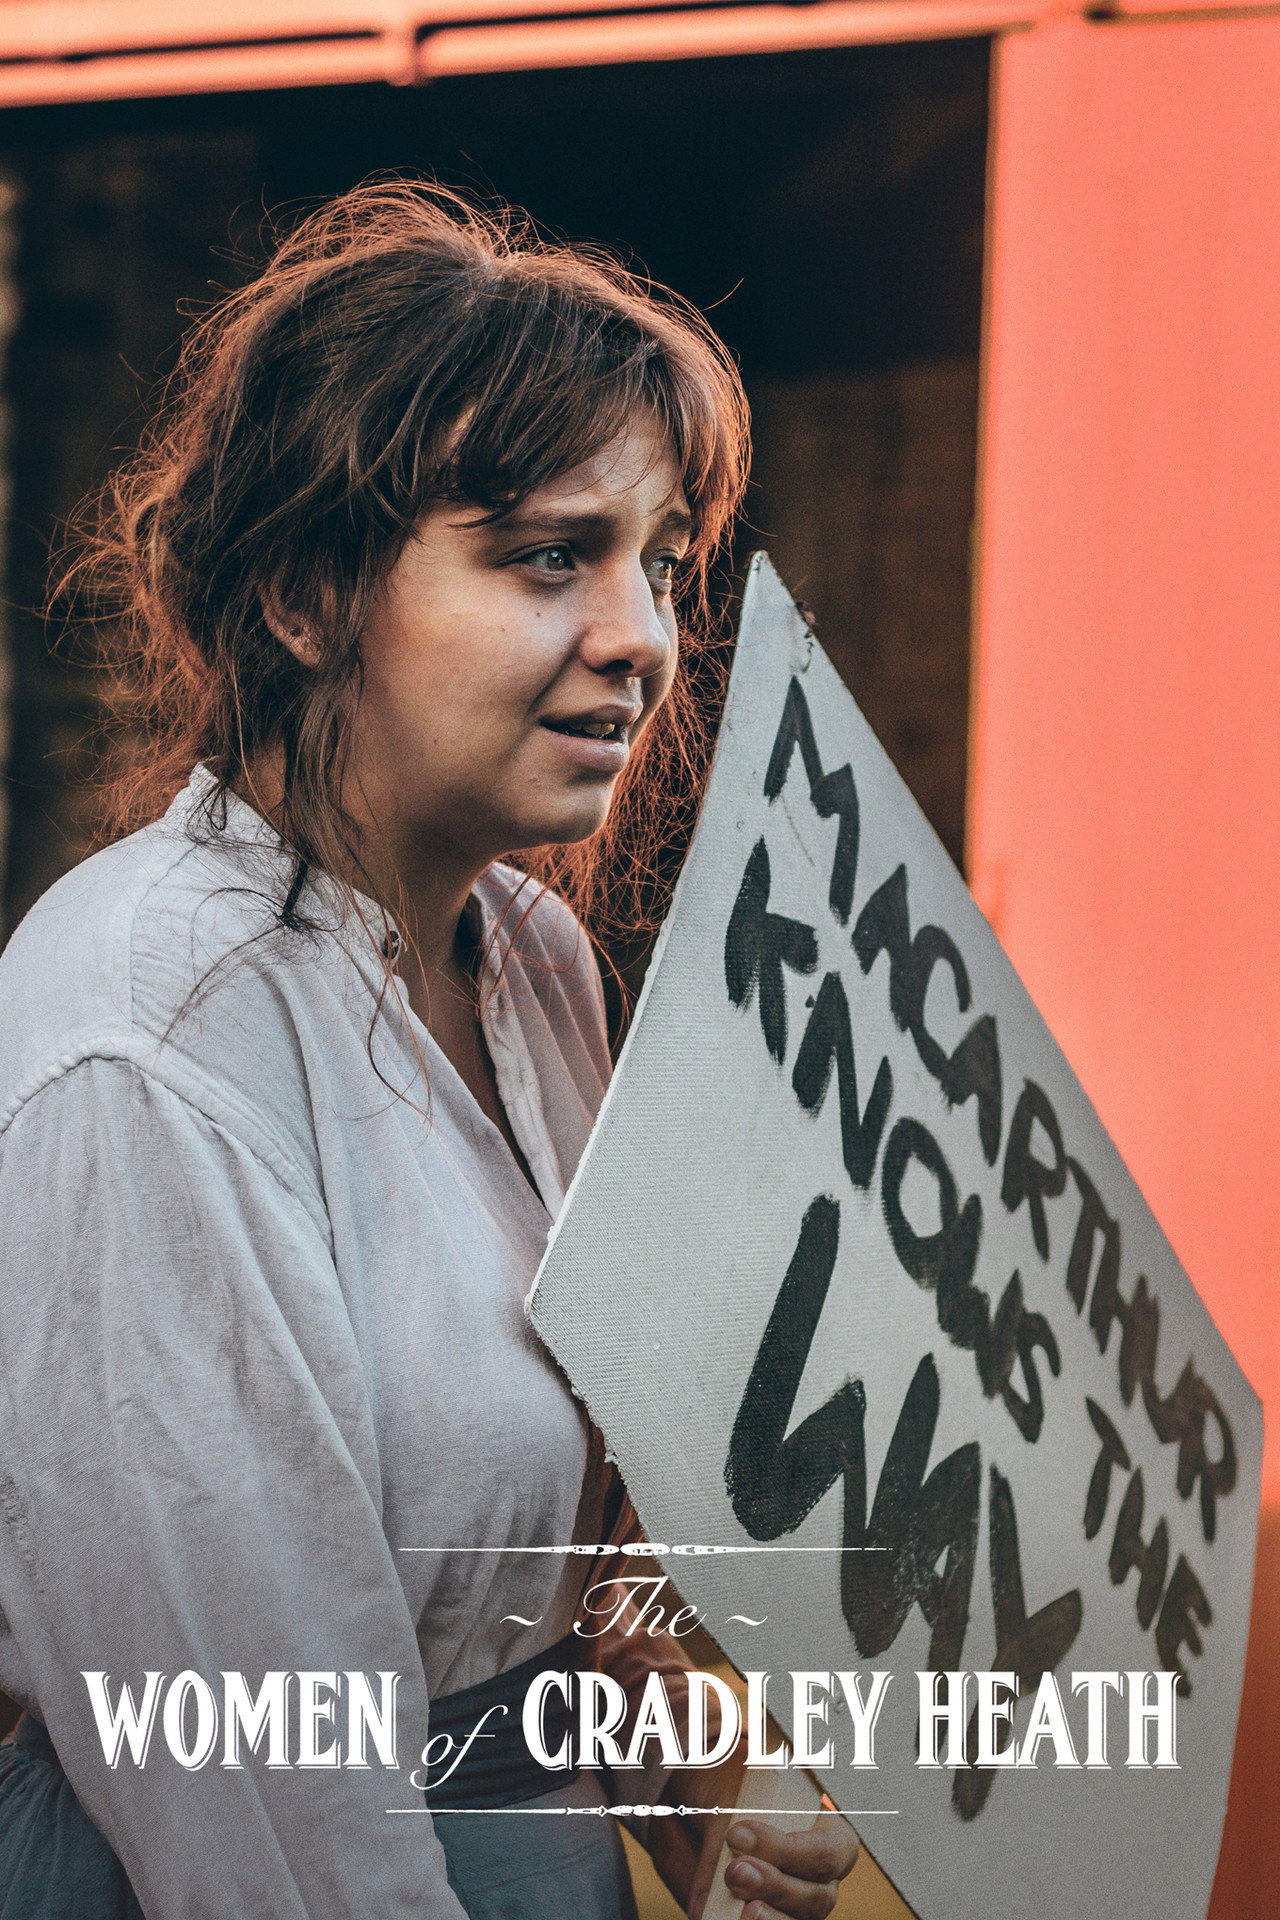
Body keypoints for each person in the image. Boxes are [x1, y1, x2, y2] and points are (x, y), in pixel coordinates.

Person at [0, 183, 859, 1919]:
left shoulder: (531, 961)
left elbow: (525, 1566)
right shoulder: (142, 1045)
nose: (644, 637)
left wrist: (686, 1778)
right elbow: (262, 1801)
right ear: (307, 594)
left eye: (660, 564)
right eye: (549, 555)